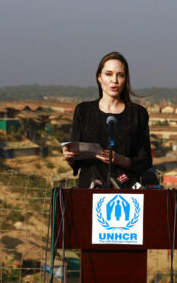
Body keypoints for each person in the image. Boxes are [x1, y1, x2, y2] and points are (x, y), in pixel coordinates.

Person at [62, 51, 152, 188]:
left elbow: (145, 161)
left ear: (126, 79)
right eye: (108, 74)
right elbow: (76, 162)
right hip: (89, 190)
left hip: (126, 191)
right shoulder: (83, 111)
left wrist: (120, 160)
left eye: (120, 75)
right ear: (99, 77)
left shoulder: (138, 114)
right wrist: (69, 156)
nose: (114, 80)